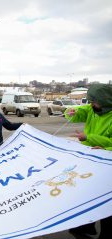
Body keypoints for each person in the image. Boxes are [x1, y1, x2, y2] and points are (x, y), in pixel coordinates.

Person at [65, 84, 112, 239]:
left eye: (95, 102)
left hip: (107, 163)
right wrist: (70, 112)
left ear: (105, 102)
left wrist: (89, 138)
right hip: (91, 158)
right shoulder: (93, 109)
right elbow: (78, 113)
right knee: (88, 193)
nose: (91, 105)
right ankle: (86, 226)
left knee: (106, 200)